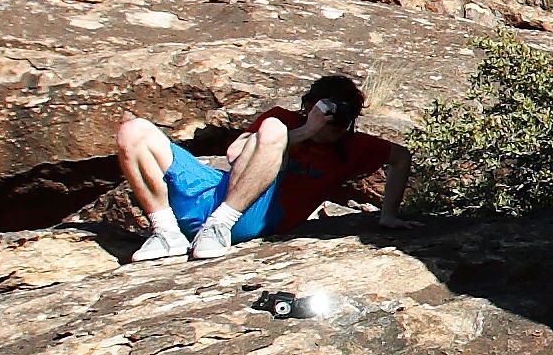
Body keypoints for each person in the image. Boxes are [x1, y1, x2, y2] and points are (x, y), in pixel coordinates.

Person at [118, 72, 409, 262]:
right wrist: (304, 131)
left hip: (254, 214)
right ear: (308, 105)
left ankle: (220, 227)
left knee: (272, 129)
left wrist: (389, 215)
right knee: (134, 131)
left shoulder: (353, 146)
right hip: (216, 192)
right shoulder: (285, 120)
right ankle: (165, 232)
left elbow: (401, 157)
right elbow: (235, 153)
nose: (335, 125)